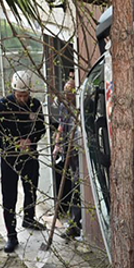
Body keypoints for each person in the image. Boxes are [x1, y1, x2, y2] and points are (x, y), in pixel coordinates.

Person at [0, 70, 46, 253]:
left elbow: (41, 128)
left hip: (30, 156)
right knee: (9, 196)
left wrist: (31, 140)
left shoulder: (35, 104)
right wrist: (15, 142)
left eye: (25, 95)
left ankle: (29, 218)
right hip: (10, 158)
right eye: (19, 95)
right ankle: (11, 235)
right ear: (13, 91)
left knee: (30, 188)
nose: (22, 98)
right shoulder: (2, 105)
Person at [53, 76, 81, 239]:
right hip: (68, 153)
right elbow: (61, 126)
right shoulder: (64, 107)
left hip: (79, 153)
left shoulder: (80, 108)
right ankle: (73, 223)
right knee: (72, 185)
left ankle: (75, 225)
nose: (67, 96)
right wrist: (57, 144)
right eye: (65, 92)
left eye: (70, 92)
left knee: (77, 188)